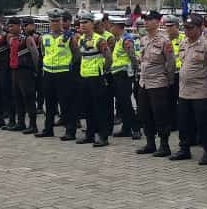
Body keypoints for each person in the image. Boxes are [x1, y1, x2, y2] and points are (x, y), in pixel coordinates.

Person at [172, 14, 207, 165]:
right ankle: (184, 148)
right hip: (184, 91)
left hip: (201, 91)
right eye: (185, 28)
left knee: (204, 123)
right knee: (184, 122)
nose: (187, 31)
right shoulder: (183, 43)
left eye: (190, 28)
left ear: (200, 28)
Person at [136, 10, 176, 157]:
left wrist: (168, 81)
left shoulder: (164, 41)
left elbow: (170, 63)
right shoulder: (143, 40)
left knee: (160, 115)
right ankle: (150, 143)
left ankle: (164, 146)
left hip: (158, 83)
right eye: (145, 19)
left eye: (149, 19)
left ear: (157, 21)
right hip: (144, 82)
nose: (145, 22)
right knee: (145, 114)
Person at [72, 12, 112, 146]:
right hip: (84, 77)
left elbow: (109, 57)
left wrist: (104, 72)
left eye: (85, 23)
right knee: (88, 108)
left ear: (92, 24)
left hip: (97, 77)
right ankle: (90, 135)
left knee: (100, 108)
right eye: (81, 23)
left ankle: (103, 136)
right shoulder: (80, 39)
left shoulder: (99, 40)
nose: (82, 25)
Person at [36, 9, 76, 139]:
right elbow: (43, 53)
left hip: (64, 74)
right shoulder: (44, 37)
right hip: (48, 73)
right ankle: (48, 129)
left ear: (61, 22)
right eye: (52, 21)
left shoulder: (69, 37)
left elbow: (76, 55)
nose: (55, 23)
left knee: (66, 103)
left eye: (57, 21)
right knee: (49, 103)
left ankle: (70, 130)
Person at [107, 16, 141, 140]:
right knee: (121, 104)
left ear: (117, 27)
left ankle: (136, 129)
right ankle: (126, 129)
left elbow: (132, 57)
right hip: (117, 75)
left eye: (112, 26)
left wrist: (135, 73)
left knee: (126, 103)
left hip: (124, 75)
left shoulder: (126, 40)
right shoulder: (118, 40)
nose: (110, 28)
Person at [6, 16, 39, 134]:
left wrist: (36, 71)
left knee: (28, 98)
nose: (10, 28)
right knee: (17, 98)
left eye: (12, 26)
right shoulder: (11, 39)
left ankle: (33, 124)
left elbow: (35, 55)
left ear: (19, 26)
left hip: (25, 72)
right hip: (15, 71)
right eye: (9, 26)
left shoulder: (27, 39)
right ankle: (20, 123)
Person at [164, 15, 184, 133]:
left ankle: (181, 123)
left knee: (181, 101)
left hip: (180, 74)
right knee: (169, 100)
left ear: (177, 26)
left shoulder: (183, 38)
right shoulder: (164, 40)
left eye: (171, 26)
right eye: (166, 26)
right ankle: (172, 123)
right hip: (168, 74)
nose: (168, 29)